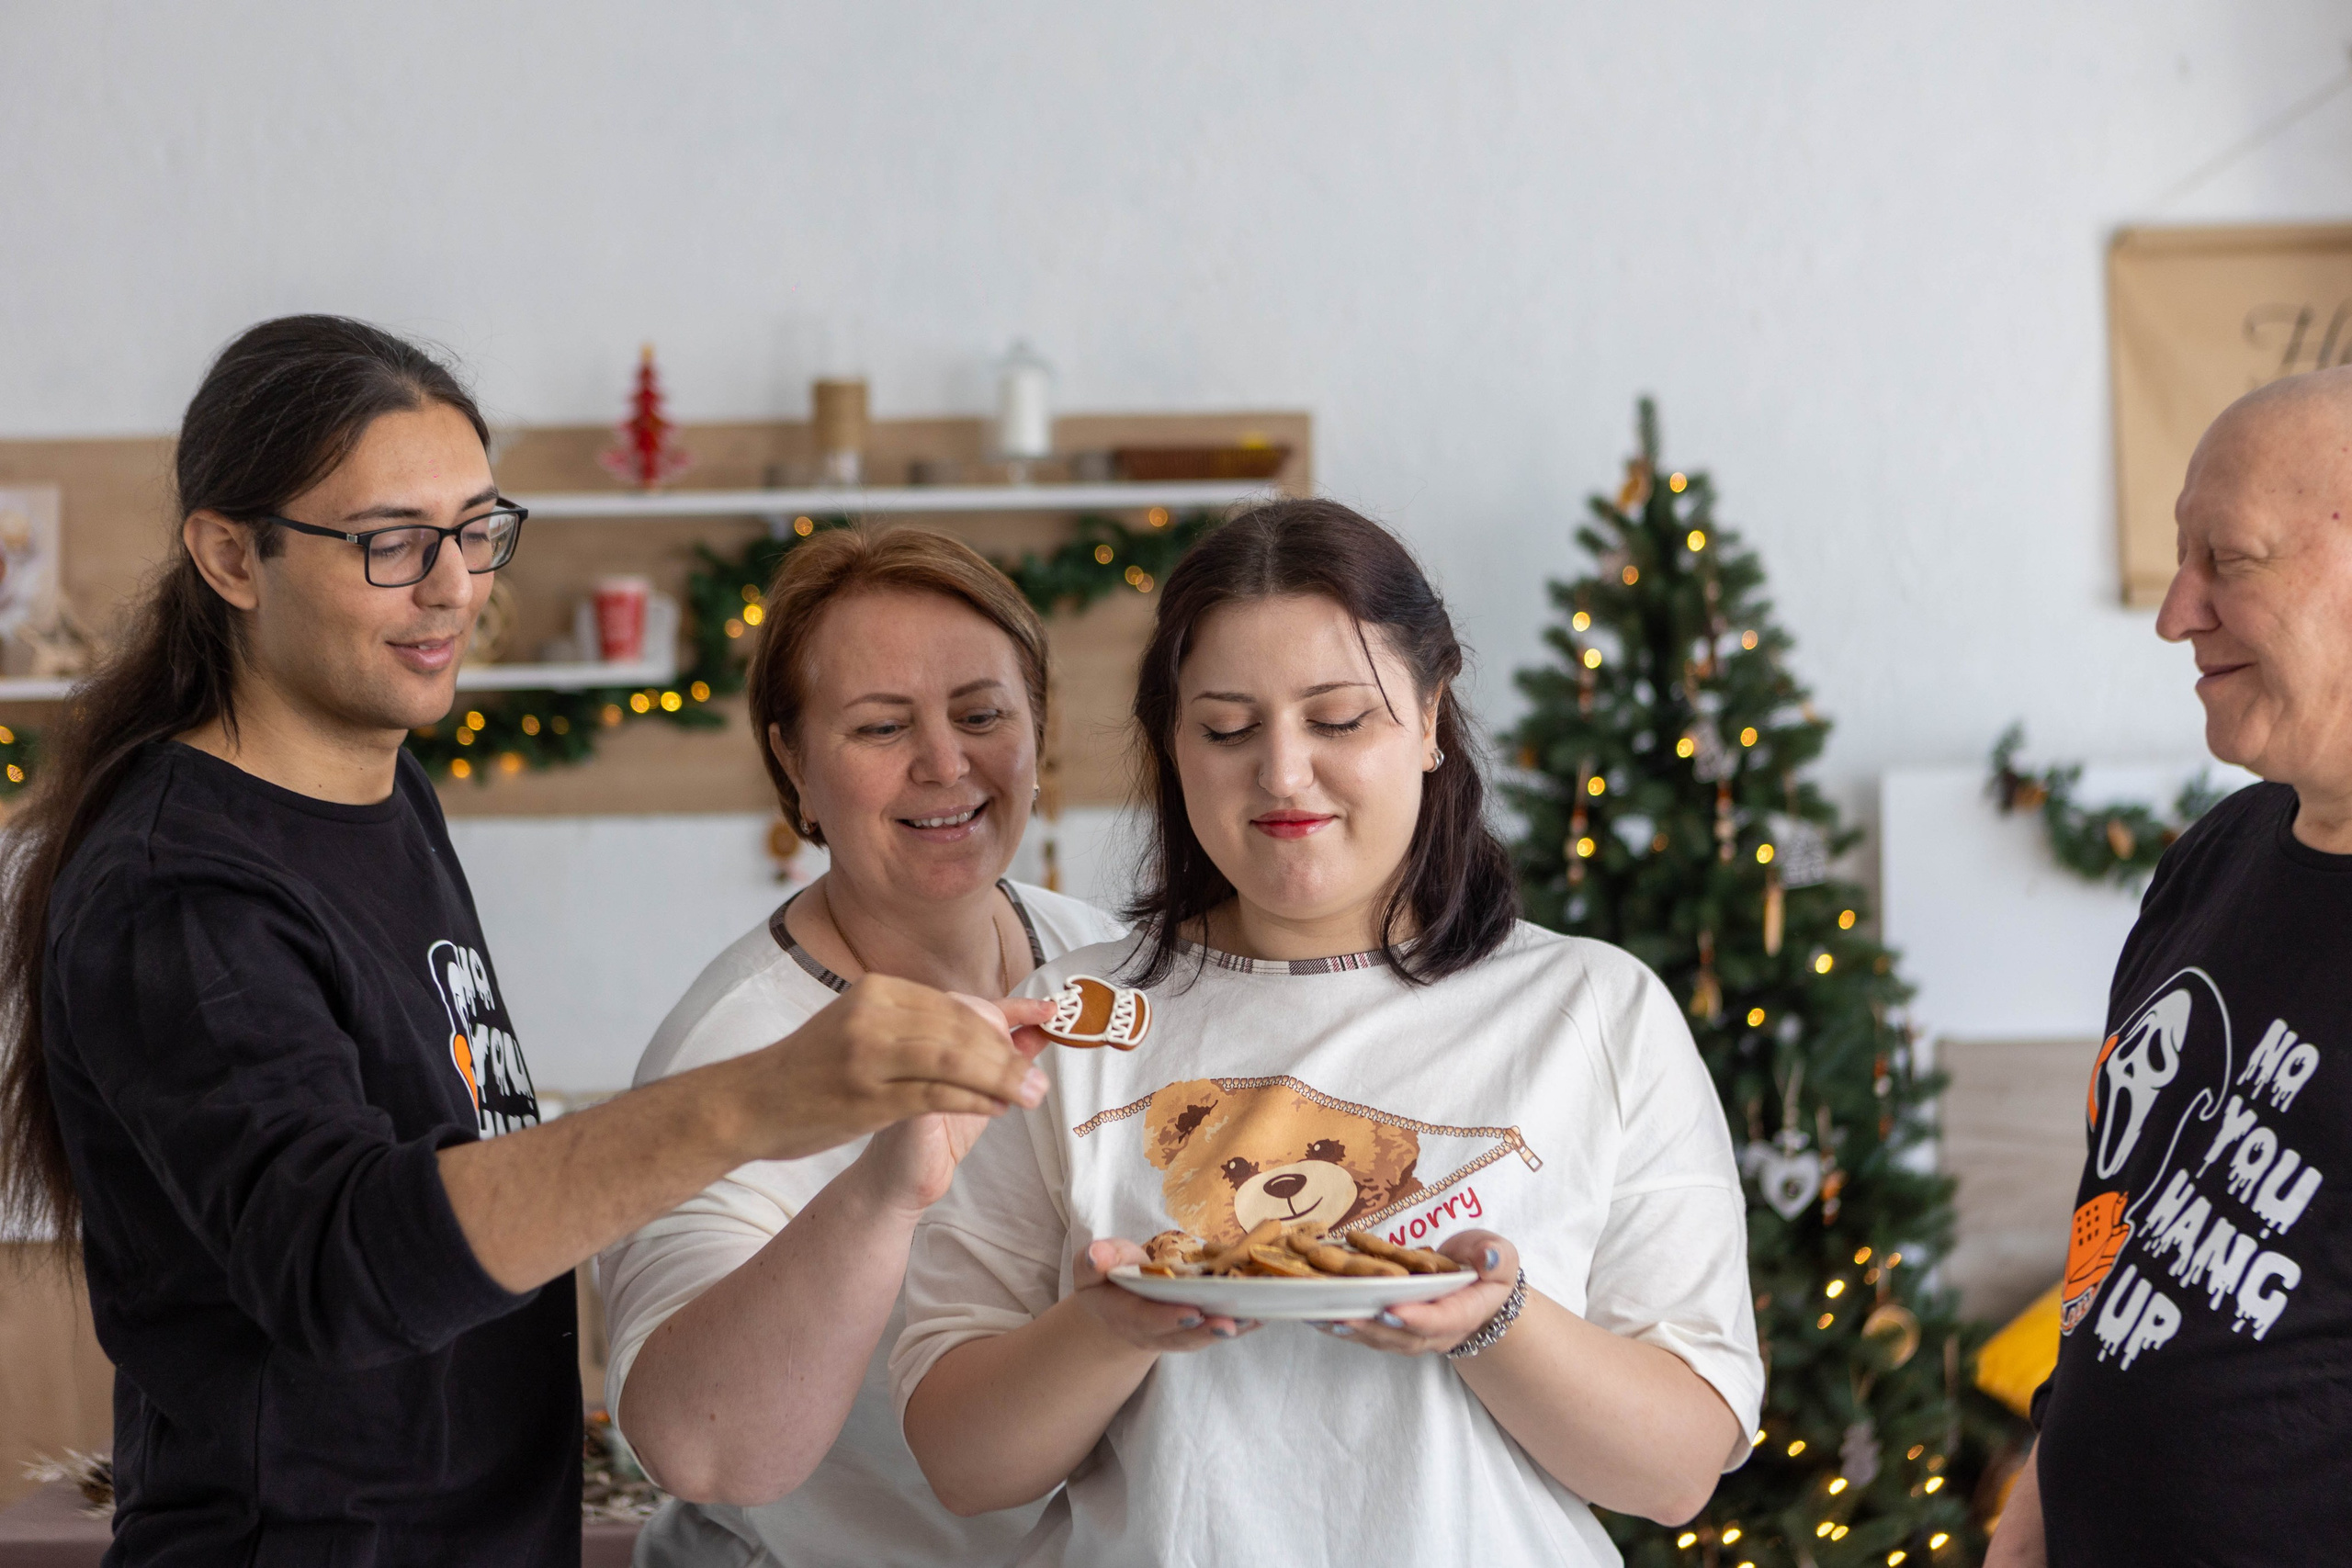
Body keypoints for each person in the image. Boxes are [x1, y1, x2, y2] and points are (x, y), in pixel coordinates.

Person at [0, 316, 1048, 1566]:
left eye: (475, 528)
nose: (454, 585)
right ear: (232, 555)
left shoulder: (385, 792)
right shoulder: (178, 889)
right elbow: (338, 1262)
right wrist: (761, 1098)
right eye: (391, 541)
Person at [890, 499, 1762, 1565]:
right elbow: (963, 1466)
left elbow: (1676, 1471)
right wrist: (1108, 1324)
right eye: (1226, 729)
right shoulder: (1076, 1017)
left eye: (1338, 720)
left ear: (1430, 716)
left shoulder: (1595, 1008)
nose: (1283, 773)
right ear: (1173, 743)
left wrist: (1493, 1320)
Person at [597, 527, 1124, 1566]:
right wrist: (883, 1193)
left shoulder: (1102, 961)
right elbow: (700, 1449)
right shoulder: (730, 1049)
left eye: (982, 714)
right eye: (882, 727)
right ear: (794, 764)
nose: (945, 763)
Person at [1986, 367, 2352, 1565]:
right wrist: (2035, 1509)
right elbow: (2119, 1230)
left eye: (2228, 559)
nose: (2175, 612)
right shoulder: (2218, 855)